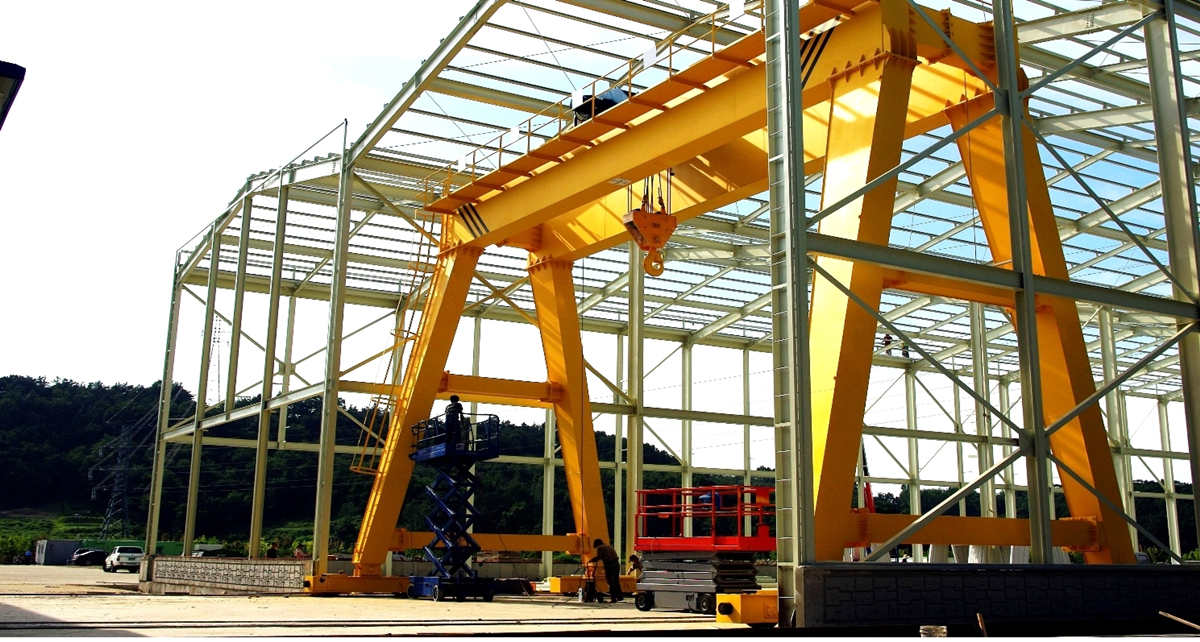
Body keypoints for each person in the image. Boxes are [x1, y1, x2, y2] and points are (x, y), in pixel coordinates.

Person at [590, 538, 623, 603]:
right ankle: (619, 597)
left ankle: (613, 598)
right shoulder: (609, 546)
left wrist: (591, 560)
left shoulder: (600, 548)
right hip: (616, 564)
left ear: (597, 544)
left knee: (610, 582)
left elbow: (599, 557)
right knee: (616, 581)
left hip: (610, 565)